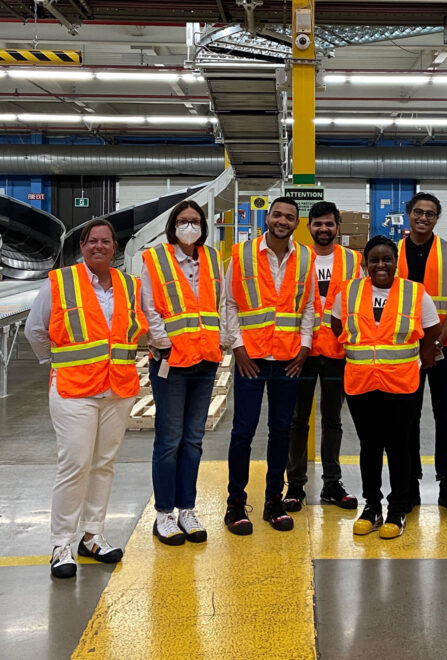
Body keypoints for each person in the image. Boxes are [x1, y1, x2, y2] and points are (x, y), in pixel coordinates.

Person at [25, 219, 148, 578]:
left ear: (115, 247)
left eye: (106, 241)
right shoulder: (61, 282)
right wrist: (58, 362)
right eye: (92, 241)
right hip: (74, 390)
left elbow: (132, 330)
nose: (99, 246)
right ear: (82, 246)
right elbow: (36, 330)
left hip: (117, 389)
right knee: (74, 464)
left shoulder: (128, 285)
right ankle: (61, 544)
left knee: (104, 464)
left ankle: (92, 536)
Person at [331, 236, 441, 539]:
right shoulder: (349, 291)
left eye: (387, 259)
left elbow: (432, 329)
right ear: (365, 263)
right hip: (361, 382)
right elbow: (337, 325)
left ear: (396, 262)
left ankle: (397, 509)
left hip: (401, 384)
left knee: (399, 446)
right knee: (369, 446)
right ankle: (372, 506)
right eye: (374, 260)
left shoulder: (415, 293)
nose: (381, 265)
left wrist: (425, 357)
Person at [223, 197, 316, 534]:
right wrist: (238, 347)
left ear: (295, 223)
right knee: (242, 432)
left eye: (289, 217)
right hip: (252, 358)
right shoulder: (241, 254)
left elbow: (308, 307)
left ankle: (273, 502)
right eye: (277, 214)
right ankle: (235, 504)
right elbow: (230, 303)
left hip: (289, 358)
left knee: (281, 431)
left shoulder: (305, 256)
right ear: (267, 217)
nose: (282, 220)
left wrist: (305, 347)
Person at [141, 200, 224, 546]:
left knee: (193, 440)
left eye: (195, 221)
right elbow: (148, 306)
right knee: (169, 440)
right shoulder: (155, 259)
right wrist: (164, 345)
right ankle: (164, 514)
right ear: (173, 225)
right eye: (183, 220)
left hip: (205, 359)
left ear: (203, 226)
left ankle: (187, 509)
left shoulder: (212, 259)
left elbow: (217, 304)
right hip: (171, 362)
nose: (189, 225)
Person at [284, 201, 362, 512]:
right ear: (309, 226)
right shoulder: (298, 258)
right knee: (297, 421)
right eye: (318, 224)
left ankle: (332, 483)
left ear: (337, 227)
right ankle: (295, 485)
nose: (324, 229)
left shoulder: (353, 261)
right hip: (301, 352)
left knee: (333, 420)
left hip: (337, 353)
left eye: (329, 224)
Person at [398, 192, 447, 515]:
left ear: (437, 218)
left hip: (443, 348)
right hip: (402, 350)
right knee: (407, 420)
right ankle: (408, 484)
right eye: (418, 212)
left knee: (446, 418)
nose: (423, 218)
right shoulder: (392, 251)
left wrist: (438, 342)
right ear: (408, 214)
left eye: (430, 214)